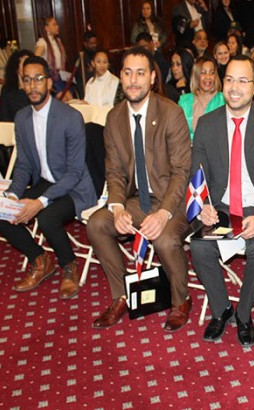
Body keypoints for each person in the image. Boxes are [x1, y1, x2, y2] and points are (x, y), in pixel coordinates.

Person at [87, 46, 192, 331]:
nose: (134, 80)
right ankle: (121, 294)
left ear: (152, 77)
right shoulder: (114, 118)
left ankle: (181, 300)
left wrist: (164, 213)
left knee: (164, 239)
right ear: (120, 76)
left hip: (173, 199)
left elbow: (182, 171)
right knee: (97, 224)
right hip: (136, 199)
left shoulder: (171, 113)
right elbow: (114, 171)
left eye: (140, 73)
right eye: (128, 73)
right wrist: (118, 206)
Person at [190, 55, 254, 346]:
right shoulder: (207, 123)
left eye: (243, 81)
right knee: (199, 246)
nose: (234, 87)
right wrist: (202, 205)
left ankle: (243, 314)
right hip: (220, 207)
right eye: (229, 79)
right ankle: (221, 310)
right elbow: (198, 173)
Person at [0, 55, 96, 299]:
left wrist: (39, 202)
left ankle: (69, 265)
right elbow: (24, 165)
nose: (32, 86)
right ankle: (40, 260)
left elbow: (75, 173)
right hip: (47, 183)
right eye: (27, 80)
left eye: (38, 79)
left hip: (76, 188)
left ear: (49, 82)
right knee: (1, 214)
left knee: (46, 217)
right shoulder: (21, 118)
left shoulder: (70, 117)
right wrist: (12, 195)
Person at [178, 56, 225, 141]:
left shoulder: (224, 100)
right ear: (196, 75)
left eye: (212, 73)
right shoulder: (184, 101)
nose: (208, 77)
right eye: (203, 73)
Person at [34, 17, 68, 96]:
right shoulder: (42, 42)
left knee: (69, 96)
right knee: (63, 98)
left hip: (61, 76)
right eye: (54, 24)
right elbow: (35, 59)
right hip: (50, 77)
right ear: (47, 28)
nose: (57, 26)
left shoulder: (58, 41)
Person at [0, 49, 35, 121]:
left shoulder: (37, 88)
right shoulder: (8, 90)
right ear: (17, 69)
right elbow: (5, 116)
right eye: (24, 65)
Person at [72, 30, 98, 100]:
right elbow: (84, 77)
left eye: (95, 43)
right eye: (91, 43)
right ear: (85, 44)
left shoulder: (97, 55)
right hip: (85, 90)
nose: (94, 45)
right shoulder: (80, 58)